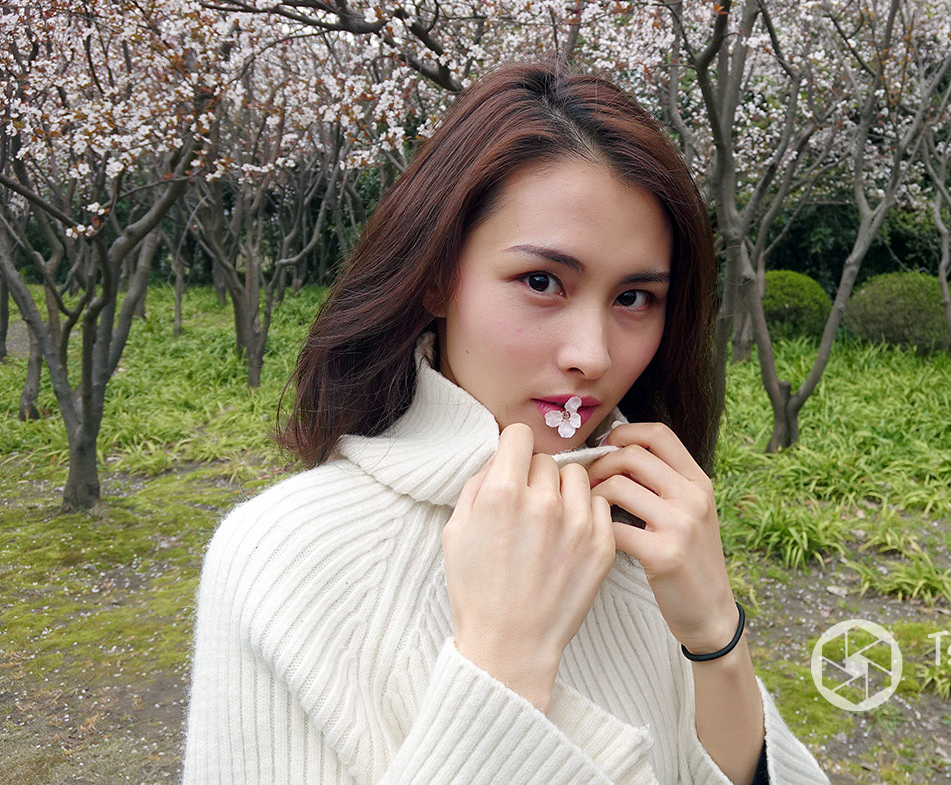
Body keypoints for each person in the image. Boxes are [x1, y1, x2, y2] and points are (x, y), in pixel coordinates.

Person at [182, 61, 830, 785]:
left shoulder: (643, 525)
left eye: (636, 297)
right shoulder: (282, 557)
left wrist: (716, 636)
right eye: (543, 282)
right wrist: (503, 662)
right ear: (436, 276)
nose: (592, 355)